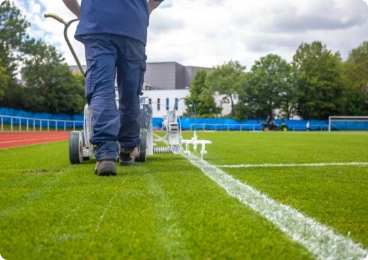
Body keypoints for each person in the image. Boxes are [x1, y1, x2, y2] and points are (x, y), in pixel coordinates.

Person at [62, 0, 163, 176]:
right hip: (133, 26)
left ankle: (106, 154)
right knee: (130, 93)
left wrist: (81, 14)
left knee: (101, 90)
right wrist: (147, 8)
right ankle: (128, 149)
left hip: (97, 24)